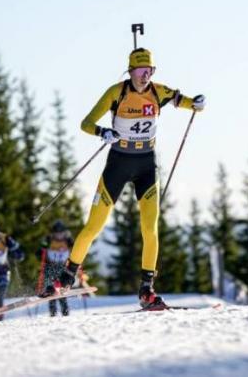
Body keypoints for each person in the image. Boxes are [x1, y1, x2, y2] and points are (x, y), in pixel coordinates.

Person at [51, 47, 205, 310]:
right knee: (94, 227)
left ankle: (147, 289)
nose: (145, 76)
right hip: (118, 164)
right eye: (141, 71)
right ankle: (66, 277)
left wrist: (197, 103)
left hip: (146, 165)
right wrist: (103, 131)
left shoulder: (159, 91)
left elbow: (183, 101)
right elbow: (86, 123)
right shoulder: (116, 92)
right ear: (131, 71)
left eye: (150, 71)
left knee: (150, 228)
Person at [37, 220, 75, 316]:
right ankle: (53, 313)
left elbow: (75, 250)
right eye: (57, 233)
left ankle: (65, 312)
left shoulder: (68, 240)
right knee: (50, 290)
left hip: (63, 267)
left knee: (61, 289)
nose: (59, 235)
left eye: (61, 233)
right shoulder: (49, 240)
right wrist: (42, 250)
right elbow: (40, 251)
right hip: (50, 266)